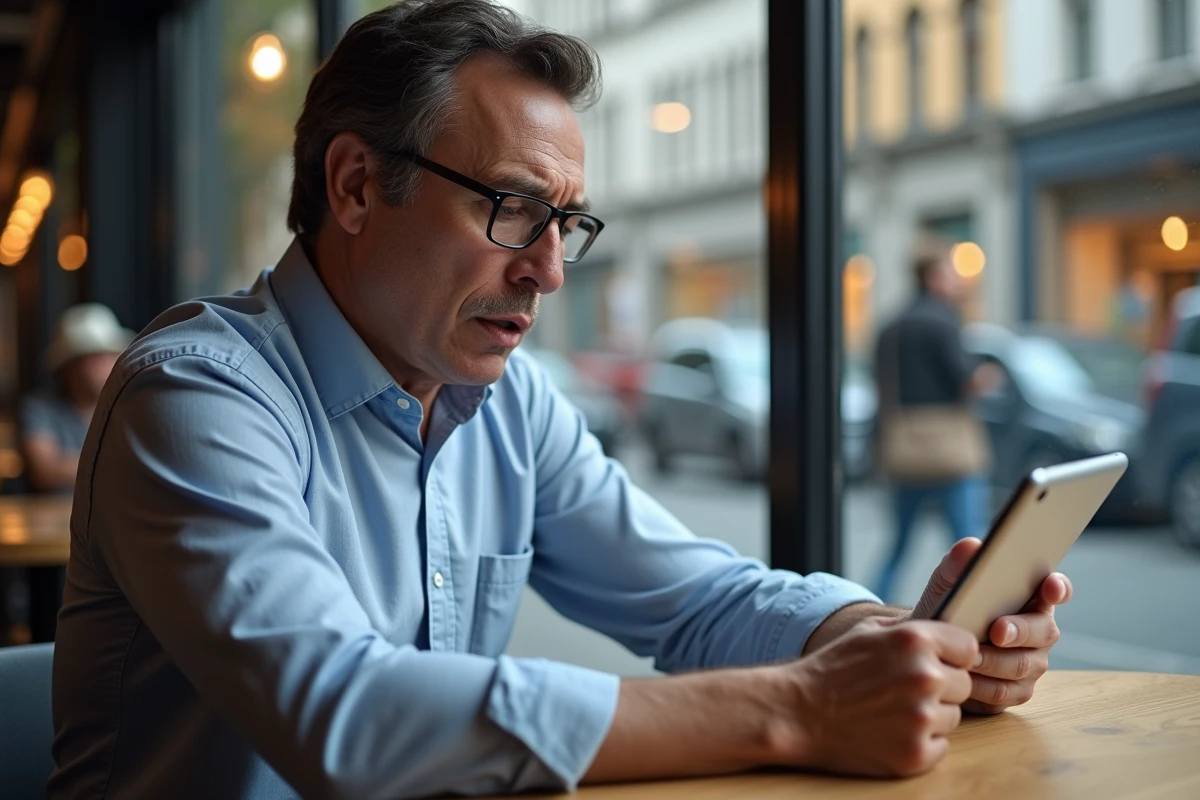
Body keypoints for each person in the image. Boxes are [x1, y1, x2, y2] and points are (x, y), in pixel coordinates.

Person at [49, 3, 1069, 798]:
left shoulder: (506, 403)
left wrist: (888, 638)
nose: (550, 271)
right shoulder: (194, 395)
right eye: (511, 209)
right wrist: (802, 707)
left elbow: (698, 598)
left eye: (567, 224)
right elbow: (342, 715)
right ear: (356, 185)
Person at [873, 237, 1003, 603]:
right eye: (951, 271)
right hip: (951, 451)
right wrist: (989, 374)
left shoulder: (891, 327)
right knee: (969, 543)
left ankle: (867, 611)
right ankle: (978, 615)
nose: (957, 280)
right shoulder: (943, 320)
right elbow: (966, 378)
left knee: (898, 545)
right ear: (932, 276)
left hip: (904, 450)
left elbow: (879, 388)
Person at [17, 303, 132, 494]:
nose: (108, 364)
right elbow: (44, 470)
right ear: (69, 367)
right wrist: (124, 464)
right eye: (96, 357)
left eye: (111, 354)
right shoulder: (39, 408)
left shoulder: (129, 406)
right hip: (51, 521)